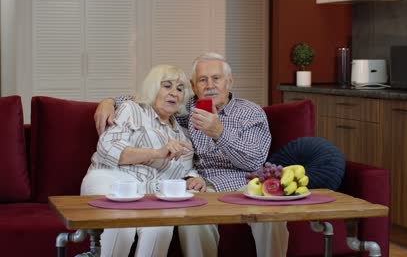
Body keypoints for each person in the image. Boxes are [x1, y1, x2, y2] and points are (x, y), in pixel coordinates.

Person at [95, 52, 289, 256]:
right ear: (193, 86)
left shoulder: (250, 112)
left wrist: (219, 133)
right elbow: (150, 98)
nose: (209, 85)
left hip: (242, 181)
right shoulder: (185, 108)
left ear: (229, 82)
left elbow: (255, 160)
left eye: (216, 78)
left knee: (270, 212)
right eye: (202, 80)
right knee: (191, 216)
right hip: (201, 184)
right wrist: (109, 101)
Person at [81, 64, 208, 257]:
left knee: (162, 227)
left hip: (148, 194)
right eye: (167, 86)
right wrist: (156, 153)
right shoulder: (132, 110)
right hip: (109, 178)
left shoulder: (182, 137)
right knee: (121, 227)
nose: (174, 93)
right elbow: (108, 149)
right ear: (153, 88)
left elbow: (185, 171)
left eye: (180, 89)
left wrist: (192, 179)